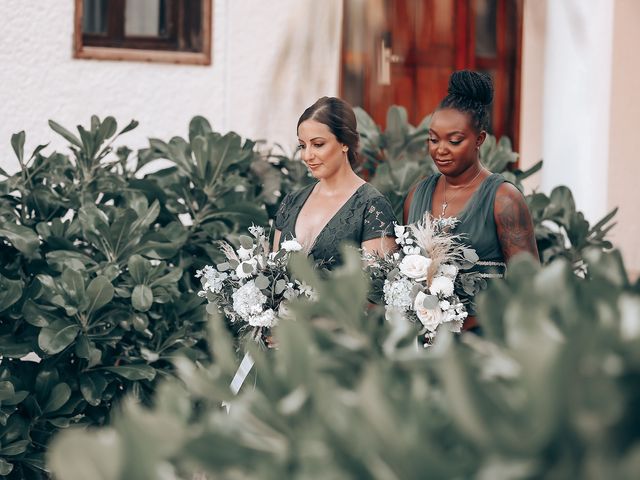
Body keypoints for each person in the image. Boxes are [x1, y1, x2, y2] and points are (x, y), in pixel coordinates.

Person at [404, 70, 539, 330]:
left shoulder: (504, 199)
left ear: (479, 139)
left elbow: (529, 286)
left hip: (483, 343)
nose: (440, 149)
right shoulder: (416, 195)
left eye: (454, 141)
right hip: (421, 345)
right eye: (433, 139)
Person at [273, 96, 397, 267]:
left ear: (344, 143)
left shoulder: (372, 207)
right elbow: (272, 274)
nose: (307, 156)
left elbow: (376, 288)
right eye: (302, 145)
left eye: (318, 144)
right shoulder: (291, 202)